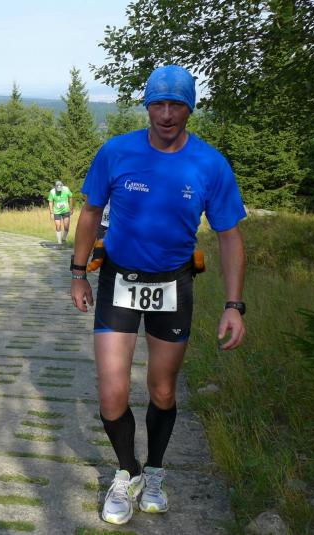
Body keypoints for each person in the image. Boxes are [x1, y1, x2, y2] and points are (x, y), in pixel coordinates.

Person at [70, 65, 246, 525]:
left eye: (177, 105)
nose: (167, 114)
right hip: (118, 281)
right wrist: (77, 273)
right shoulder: (116, 152)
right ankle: (126, 472)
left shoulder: (210, 164)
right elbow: (90, 212)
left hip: (173, 284)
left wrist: (233, 305)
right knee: (112, 393)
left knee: (162, 390)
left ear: (190, 109)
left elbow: (229, 235)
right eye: (158, 104)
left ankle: (155, 471)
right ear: (147, 106)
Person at [48, 179, 74, 244]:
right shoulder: (52, 192)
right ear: (55, 187)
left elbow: (71, 197)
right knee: (58, 226)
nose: (59, 190)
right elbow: (50, 202)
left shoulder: (66, 189)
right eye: (58, 189)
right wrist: (51, 213)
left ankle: (64, 238)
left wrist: (71, 208)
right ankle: (59, 242)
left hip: (66, 210)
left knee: (66, 227)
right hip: (56, 211)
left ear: (62, 186)